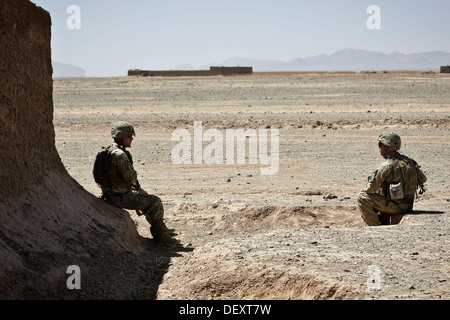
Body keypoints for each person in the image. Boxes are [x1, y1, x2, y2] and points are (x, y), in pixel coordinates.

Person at [95, 121, 180, 245]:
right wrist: (133, 177)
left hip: (111, 193)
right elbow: (130, 178)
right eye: (129, 136)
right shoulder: (119, 155)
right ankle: (161, 238)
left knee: (143, 194)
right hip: (118, 197)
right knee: (155, 202)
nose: (132, 139)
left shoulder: (108, 150)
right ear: (122, 137)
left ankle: (161, 229)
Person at [357, 132, 427, 226]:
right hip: (408, 205)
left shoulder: (387, 165)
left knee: (362, 197)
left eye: (380, 144)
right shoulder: (409, 161)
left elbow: (371, 189)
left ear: (387, 147)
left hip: (396, 206)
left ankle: (374, 228)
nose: (379, 147)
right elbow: (423, 179)